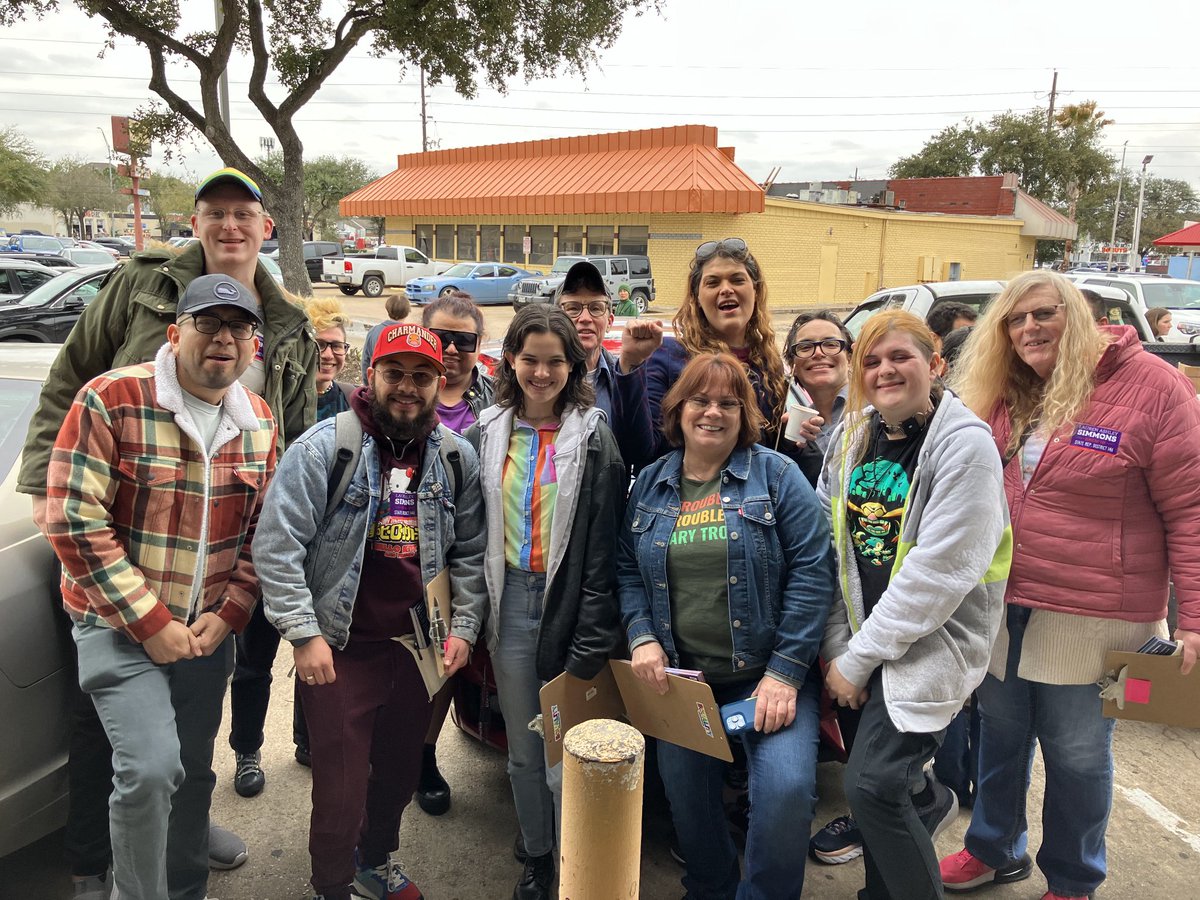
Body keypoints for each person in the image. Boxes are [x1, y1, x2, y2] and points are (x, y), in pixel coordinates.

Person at [19, 166, 315, 893]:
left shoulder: (282, 343)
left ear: (264, 225)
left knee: (184, 754)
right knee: (129, 752)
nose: (230, 225)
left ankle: (174, 860)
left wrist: (238, 607)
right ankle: (102, 867)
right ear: (178, 329)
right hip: (124, 572)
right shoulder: (134, 310)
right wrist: (41, 480)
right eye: (214, 212)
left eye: (243, 213)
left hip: (208, 594)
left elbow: (273, 499)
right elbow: (71, 374)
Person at [939, 271, 1200, 900]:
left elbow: (1191, 510)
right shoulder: (1002, 391)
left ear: (1079, 314)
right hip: (1003, 605)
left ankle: (1074, 878)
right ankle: (993, 848)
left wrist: (1193, 618)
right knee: (999, 737)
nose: (1029, 328)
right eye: (1015, 319)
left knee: (1080, 754)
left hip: (1101, 617)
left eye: (1044, 313)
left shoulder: (1154, 388)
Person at [44, 274, 278, 900]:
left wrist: (231, 613)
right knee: (150, 770)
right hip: (118, 625)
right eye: (209, 324)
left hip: (205, 631)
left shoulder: (258, 420)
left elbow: (261, 533)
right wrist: (150, 621)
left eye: (239, 328)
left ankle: (186, 887)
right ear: (176, 334)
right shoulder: (110, 399)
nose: (224, 339)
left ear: (253, 346)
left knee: (194, 773)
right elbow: (72, 517)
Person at [254, 323, 487, 900]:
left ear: (439, 382)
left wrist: (462, 628)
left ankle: (374, 863)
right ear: (371, 374)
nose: (408, 387)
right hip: (340, 648)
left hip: (418, 646)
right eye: (395, 374)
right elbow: (277, 546)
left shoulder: (457, 459)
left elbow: (472, 553)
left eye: (422, 376)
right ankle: (331, 884)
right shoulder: (324, 448)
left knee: (399, 771)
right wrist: (303, 634)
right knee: (339, 788)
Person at [619, 352, 834, 900]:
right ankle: (710, 886)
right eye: (701, 400)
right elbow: (626, 568)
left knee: (786, 792)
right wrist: (642, 635)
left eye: (728, 403)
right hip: (685, 682)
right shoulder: (650, 484)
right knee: (687, 798)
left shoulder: (778, 475)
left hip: (768, 675)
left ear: (745, 415)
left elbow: (814, 569)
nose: (713, 412)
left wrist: (785, 674)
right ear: (678, 409)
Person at [818, 310, 1010, 900]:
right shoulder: (852, 437)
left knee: (872, 787)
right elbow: (832, 553)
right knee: (886, 796)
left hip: (930, 646)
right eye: (871, 361)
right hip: (860, 643)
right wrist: (839, 649)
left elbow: (938, 573)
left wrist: (858, 659)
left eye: (900, 356)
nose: (884, 370)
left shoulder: (965, 445)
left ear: (936, 365)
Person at [467, 305, 625, 900]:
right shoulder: (485, 432)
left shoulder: (593, 437)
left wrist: (591, 631)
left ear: (574, 365)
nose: (541, 372)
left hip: (567, 608)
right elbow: (471, 530)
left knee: (566, 754)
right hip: (510, 607)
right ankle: (537, 854)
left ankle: (573, 858)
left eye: (555, 361)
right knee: (525, 752)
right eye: (530, 359)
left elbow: (605, 545)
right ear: (510, 359)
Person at [230, 295, 350, 793]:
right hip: (270, 548)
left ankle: (306, 740)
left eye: (337, 346)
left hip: (323, 555)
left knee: (315, 654)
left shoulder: (348, 400)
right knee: (255, 659)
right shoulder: (268, 400)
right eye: (320, 345)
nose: (328, 354)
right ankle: (247, 750)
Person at [412, 290, 494, 816]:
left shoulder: (497, 402)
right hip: (406, 555)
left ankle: (435, 750)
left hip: (476, 555)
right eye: (441, 338)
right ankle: (416, 756)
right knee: (416, 670)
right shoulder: (403, 393)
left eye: (465, 341)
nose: (452, 350)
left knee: (453, 662)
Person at [634, 238, 790, 462]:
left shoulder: (770, 365)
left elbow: (775, 456)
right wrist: (631, 367)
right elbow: (643, 451)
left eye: (737, 280)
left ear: (755, 291)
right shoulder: (668, 356)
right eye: (713, 282)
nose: (726, 289)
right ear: (697, 298)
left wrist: (794, 443)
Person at [555, 260, 657, 469]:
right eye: (573, 308)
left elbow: (639, 455)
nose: (585, 318)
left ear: (609, 321)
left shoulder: (626, 377)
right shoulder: (540, 379)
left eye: (595, 308)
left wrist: (630, 365)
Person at [781, 309, 853, 488]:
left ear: (849, 357)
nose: (818, 353)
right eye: (805, 347)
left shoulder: (877, 410)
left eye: (830, 344)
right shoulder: (796, 432)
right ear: (793, 366)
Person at [362, 294, 413, 382]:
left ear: (387, 309)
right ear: (408, 312)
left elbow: (365, 361)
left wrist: (367, 384)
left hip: (377, 383)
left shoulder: (374, 331)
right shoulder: (411, 335)